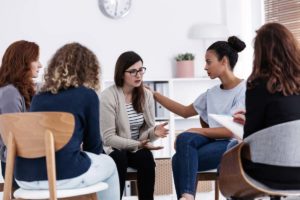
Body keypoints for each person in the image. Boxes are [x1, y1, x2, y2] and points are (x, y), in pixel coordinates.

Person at [14, 42, 120, 200]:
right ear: (88, 70)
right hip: (63, 176)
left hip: (25, 177)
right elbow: (93, 147)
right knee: (109, 163)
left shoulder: (38, 98)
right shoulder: (87, 95)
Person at [151, 36, 246, 200]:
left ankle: (186, 197)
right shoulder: (211, 94)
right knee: (183, 144)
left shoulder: (244, 90)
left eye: (209, 62)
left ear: (223, 61)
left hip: (235, 147)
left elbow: (231, 131)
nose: (205, 67)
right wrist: (154, 94)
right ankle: (188, 197)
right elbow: (184, 111)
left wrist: (197, 130)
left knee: (179, 158)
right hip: (212, 145)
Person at [233, 22, 300, 189]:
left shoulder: (258, 85)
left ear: (261, 53)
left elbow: (249, 139)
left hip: (272, 173)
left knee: (232, 150)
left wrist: (247, 121)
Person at [100, 51, 169, 200]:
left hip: (136, 146)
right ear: (121, 74)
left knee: (146, 159)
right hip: (114, 147)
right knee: (119, 158)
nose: (138, 75)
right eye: (132, 71)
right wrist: (138, 144)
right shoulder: (108, 96)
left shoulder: (146, 95)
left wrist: (154, 132)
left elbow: (146, 132)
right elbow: (109, 138)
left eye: (141, 70)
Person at [0, 40, 42, 187]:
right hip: (17, 167)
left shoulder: (26, 90)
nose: (40, 65)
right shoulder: (10, 92)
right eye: (36, 60)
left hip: (26, 163)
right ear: (23, 62)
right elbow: (13, 139)